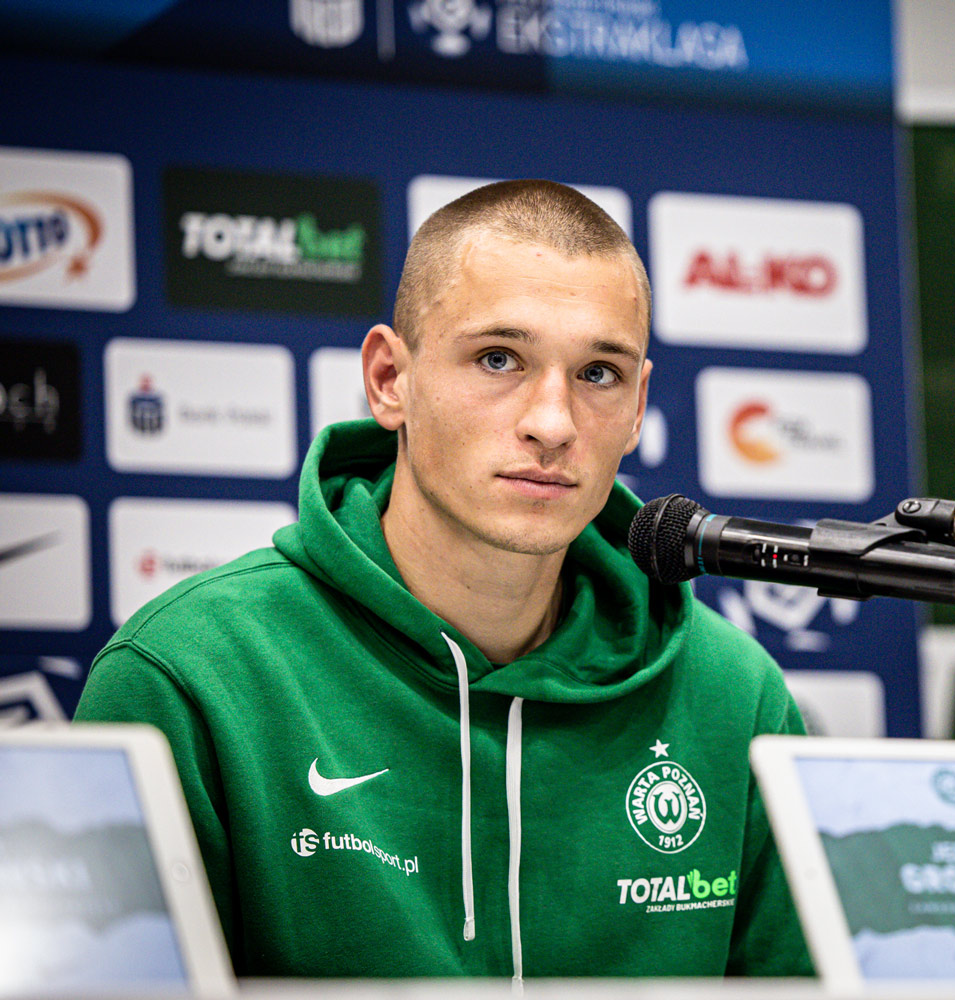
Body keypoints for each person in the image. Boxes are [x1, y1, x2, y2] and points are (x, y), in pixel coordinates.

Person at [75, 179, 814, 979]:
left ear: (638, 407)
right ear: (390, 379)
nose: (553, 423)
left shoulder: (736, 695)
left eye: (598, 373)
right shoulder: (187, 676)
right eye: (499, 359)